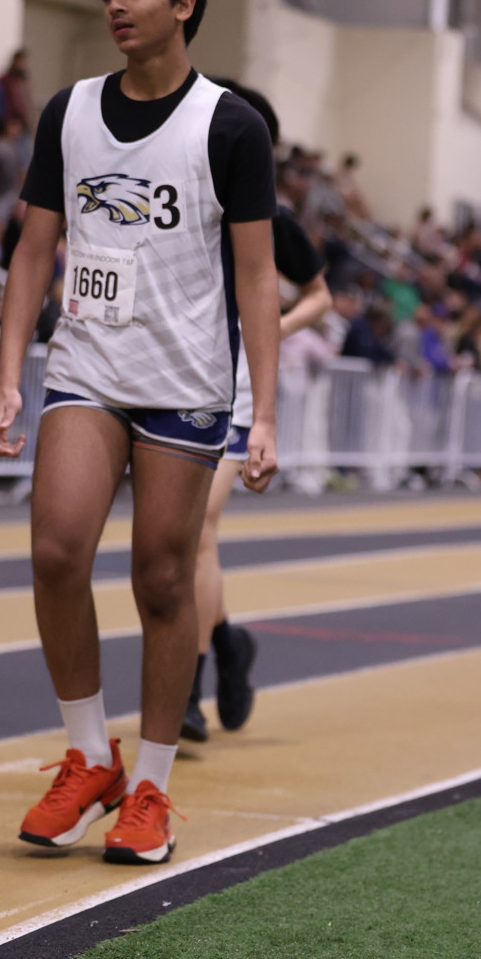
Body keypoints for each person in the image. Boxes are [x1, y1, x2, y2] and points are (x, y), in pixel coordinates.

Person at [0, 0, 280, 866]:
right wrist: (9, 373)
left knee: (161, 576)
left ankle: (151, 785)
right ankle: (88, 758)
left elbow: (258, 275)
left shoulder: (230, 126)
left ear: (184, 4)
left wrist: (266, 412)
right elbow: (34, 249)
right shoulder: (70, 112)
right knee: (55, 551)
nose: (116, 5)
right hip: (86, 367)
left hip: (184, 381)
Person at [182, 79, 330, 742]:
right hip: (174, 378)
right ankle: (227, 643)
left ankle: (187, 687)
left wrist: (272, 324)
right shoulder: (183, 195)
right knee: (178, 540)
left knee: (197, 531)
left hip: (236, 388)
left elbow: (320, 295)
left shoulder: (269, 214)